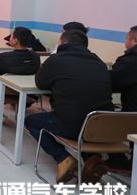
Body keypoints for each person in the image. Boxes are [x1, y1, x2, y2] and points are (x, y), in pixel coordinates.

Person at [25, 30, 114, 183]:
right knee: (81, 114)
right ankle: (92, 159)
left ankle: (63, 158)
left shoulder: (56, 60)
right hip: (101, 127)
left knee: (31, 121)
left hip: (72, 125)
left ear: (62, 43)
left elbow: (40, 83)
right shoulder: (99, 62)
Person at [110, 25, 137, 112]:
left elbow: (109, 83)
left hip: (132, 117)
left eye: (127, 39)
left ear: (134, 41)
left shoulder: (130, 61)